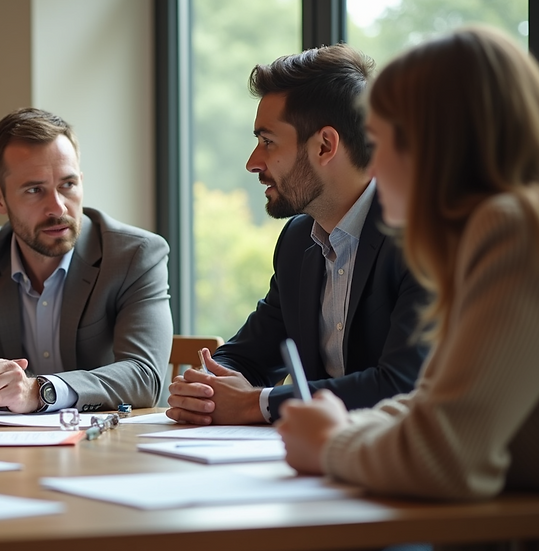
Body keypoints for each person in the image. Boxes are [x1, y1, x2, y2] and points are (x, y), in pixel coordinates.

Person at [277, 26, 539, 501]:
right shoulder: (494, 233)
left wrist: (329, 442)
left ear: (436, 144)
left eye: (379, 143)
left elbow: (448, 456)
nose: (372, 169)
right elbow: (433, 404)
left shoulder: (515, 227)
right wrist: (345, 426)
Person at [167, 44, 428, 425]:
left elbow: (402, 386)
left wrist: (257, 403)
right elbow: (248, 355)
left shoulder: (420, 236)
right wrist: (207, 387)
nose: (253, 162)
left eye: (268, 142)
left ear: (325, 145)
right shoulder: (298, 239)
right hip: (318, 465)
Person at [0, 107, 172, 414]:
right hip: (13, 448)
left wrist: (39, 391)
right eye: (35, 190)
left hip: (106, 446)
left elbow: (145, 377)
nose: (57, 207)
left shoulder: (134, 255)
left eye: (68, 185)